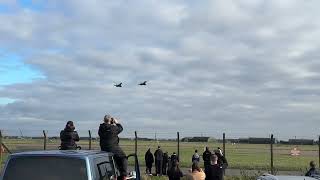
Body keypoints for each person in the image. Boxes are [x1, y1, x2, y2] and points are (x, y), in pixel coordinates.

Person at [99, 115, 127, 180]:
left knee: (113, 160)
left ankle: (114, 174)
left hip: (103, 148)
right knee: (124, 158)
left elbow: (105, 128)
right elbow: (121, 128)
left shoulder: (101, 128)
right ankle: (124, 175)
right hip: (113, 148)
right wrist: (116, 123)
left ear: (104, 120)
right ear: (111, 120)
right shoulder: (113, 128)